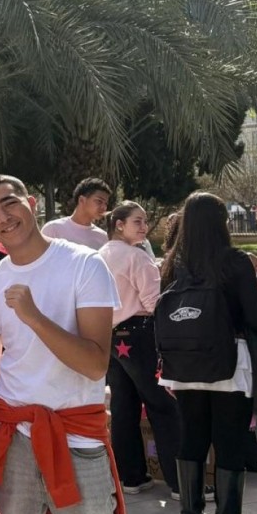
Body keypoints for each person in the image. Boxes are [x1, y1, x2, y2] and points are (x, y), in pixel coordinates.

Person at [0, 173, 140, 514]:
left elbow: (95, 363)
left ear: (30, 200)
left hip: (76, 440)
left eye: (9, 204)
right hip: (8, 443)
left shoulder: (84, 264)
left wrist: (34, 316)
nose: (2, 218)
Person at [159, 192, 257, 514]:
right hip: (229, 366)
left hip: (184, 367)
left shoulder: (172, 264)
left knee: (191, 439)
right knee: (229, 443)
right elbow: (255, 316)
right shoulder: (234, 261)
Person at [99, 201, 181, 498]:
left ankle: (131, 476)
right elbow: (153, 302)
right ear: (119, 224)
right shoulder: (137, 257)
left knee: (123, 406)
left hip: (111, 335)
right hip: (140, 332)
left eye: (145, 221)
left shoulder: (98, 255)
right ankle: (178, 481)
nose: (144, 227)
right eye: (137, 221)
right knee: (162, 404)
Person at [42, 177, 112, 250]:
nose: (104, 207)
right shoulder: (53, 229)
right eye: (99, 201)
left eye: (106, 204)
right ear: (81, 200)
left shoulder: (103, 238)